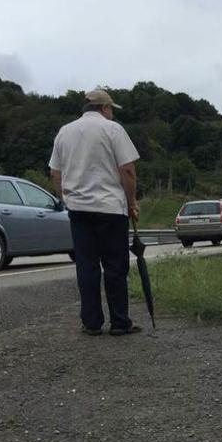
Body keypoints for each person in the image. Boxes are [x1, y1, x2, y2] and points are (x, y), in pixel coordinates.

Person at [49, 88, 142, 336]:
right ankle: (120, 322)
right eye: (111, 109)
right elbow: (128, 169)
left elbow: (55, 174)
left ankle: (91, 322)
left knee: (86, 266)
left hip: (78, 209)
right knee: (115, 266)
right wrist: (132, 201)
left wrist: (65, 198)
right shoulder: (113, 129)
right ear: (104, 108)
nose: (111, 114)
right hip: (110, 207)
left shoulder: (64, 132)